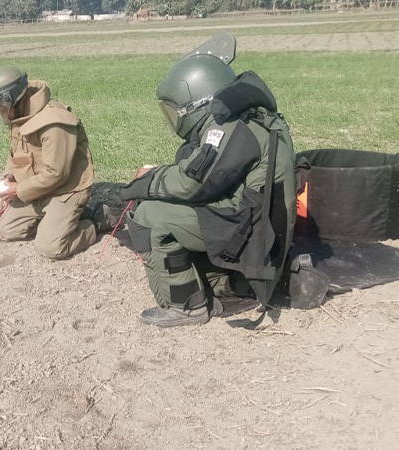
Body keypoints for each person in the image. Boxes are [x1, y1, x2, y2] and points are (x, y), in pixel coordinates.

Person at [120, 32, 297, 327]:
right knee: (160, 202)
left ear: (197, 101)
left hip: (254, 234)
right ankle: (220, 282)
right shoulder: (248, 118)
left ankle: (186, 306)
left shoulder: (231, 126)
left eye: (175, 112)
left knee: (151, 214)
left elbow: (194, 182)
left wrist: (147, 182)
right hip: (259, 227)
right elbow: (208, 172)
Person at [0, 66, 116, 260]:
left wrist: (18, 190)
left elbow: (57, 174)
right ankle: (59, 220)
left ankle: (97, 220)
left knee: (51, 248)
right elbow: (16, 152)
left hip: (65, 189)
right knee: (9, 230)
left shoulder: (54, 123)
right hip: (38, 189)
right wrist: (10, 176)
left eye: (0, 105)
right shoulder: (19, 114)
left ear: (12, 99)